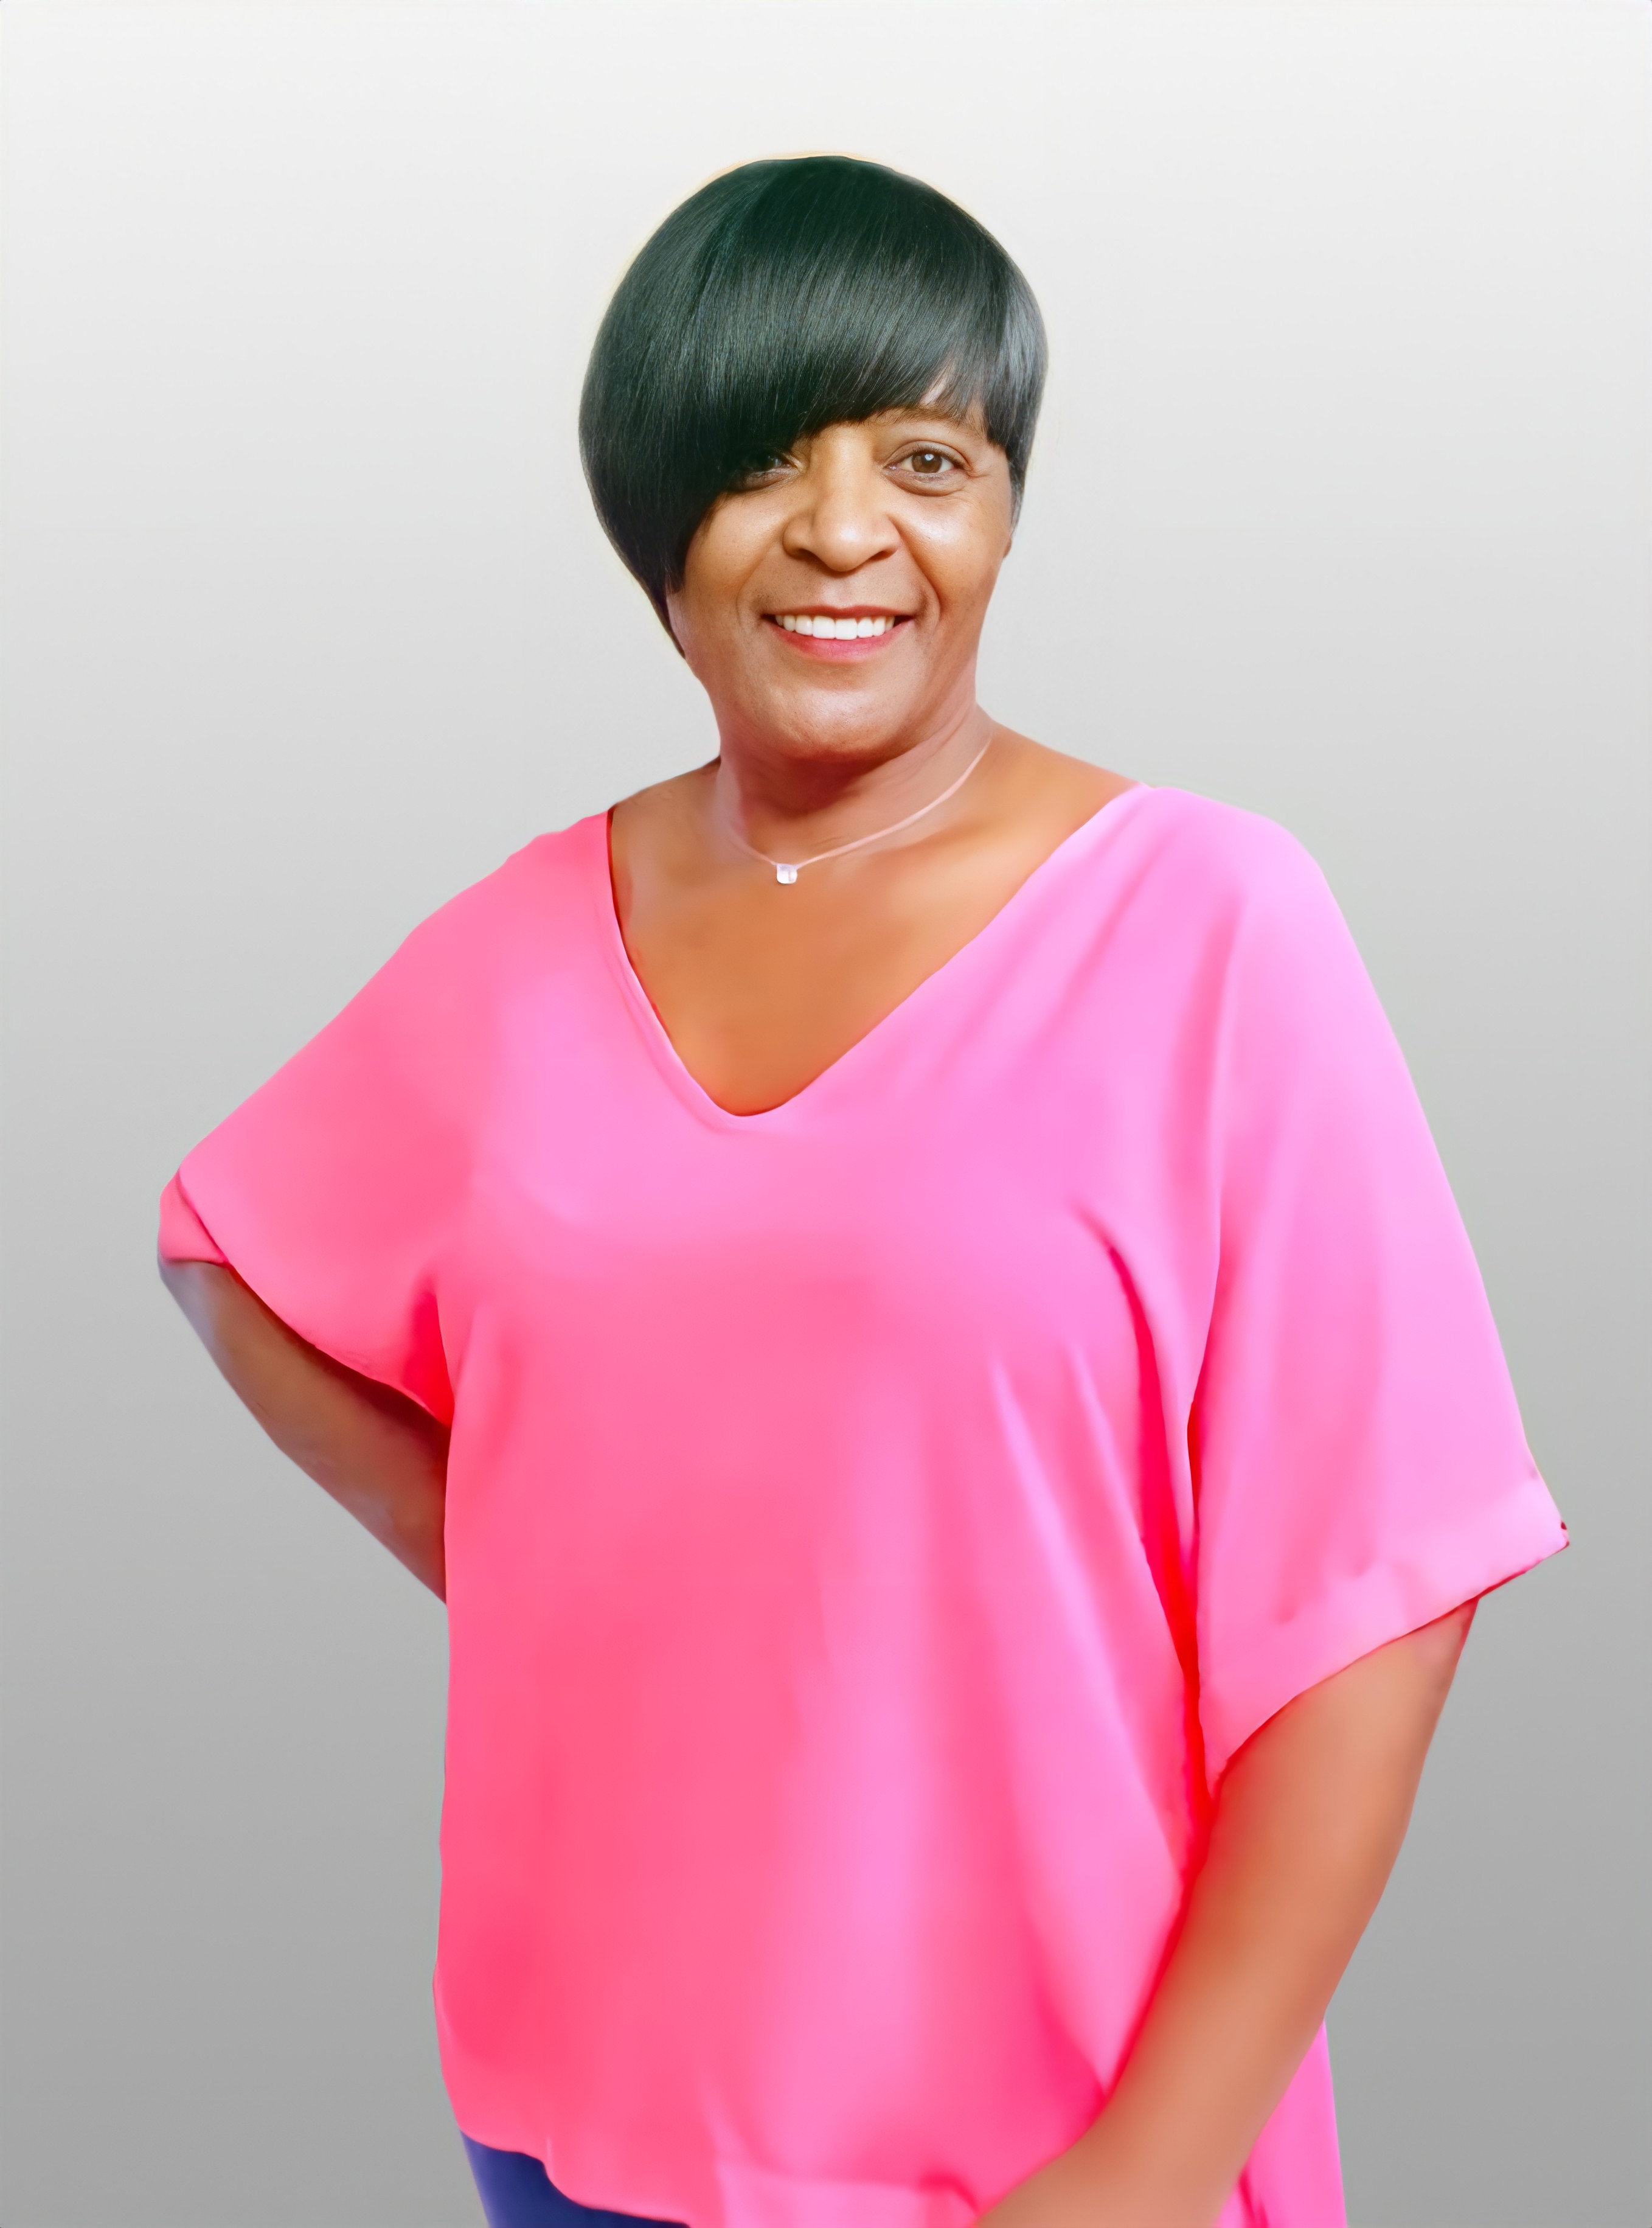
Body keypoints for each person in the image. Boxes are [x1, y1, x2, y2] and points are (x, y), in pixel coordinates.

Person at [158, 156, 1566, 2228]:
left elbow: (1379, 1606)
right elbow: (232, 1250)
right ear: (657, 521)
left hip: (1056, 2136)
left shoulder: (1207, 925)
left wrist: (1151, 2171)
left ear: (1002, 516)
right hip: (577, 2113)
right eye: (762, 462)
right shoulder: (524, 946)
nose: (843, 531)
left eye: (925, 459)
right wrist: (556, 1574)